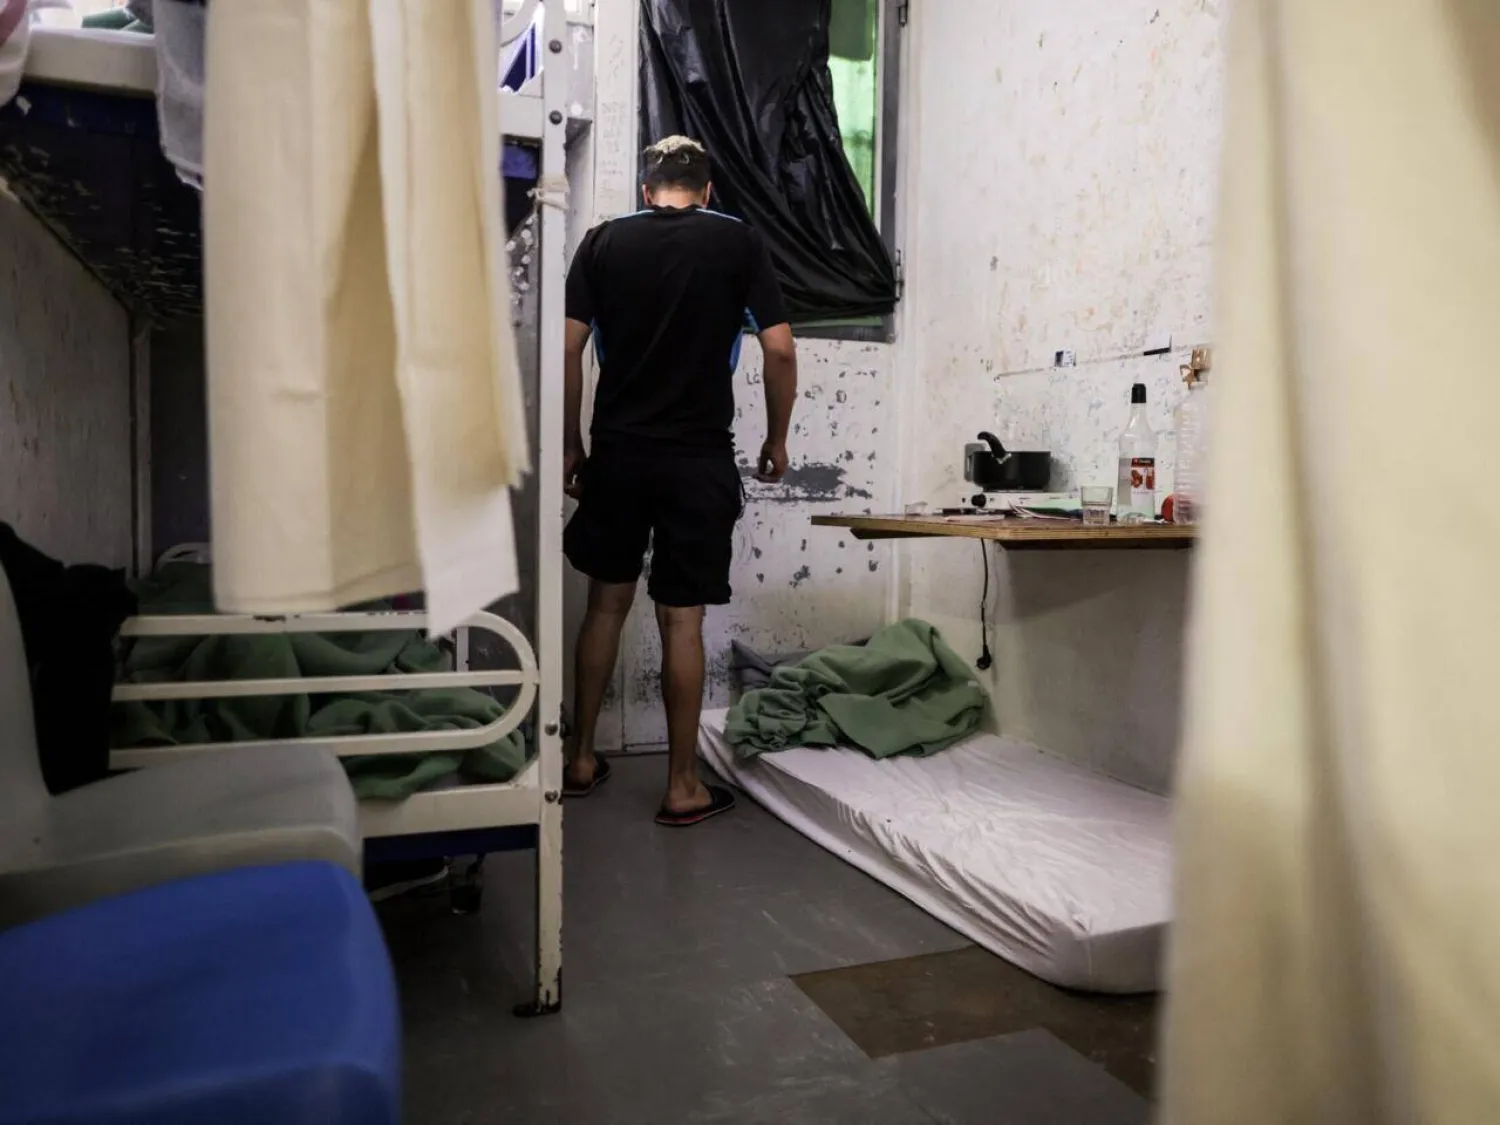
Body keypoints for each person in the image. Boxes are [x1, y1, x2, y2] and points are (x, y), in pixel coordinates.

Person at [560, 136, 798, 826]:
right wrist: (776, 437)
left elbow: (569, 346)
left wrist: (572, 441)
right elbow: (779, 347)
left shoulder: (602, 242)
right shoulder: (739, 243)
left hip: (619, 453)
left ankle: (579, 757)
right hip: (698, 457)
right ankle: (682, 784)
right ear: (708, 190)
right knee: (681, 617)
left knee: (605, 603)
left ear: (646, 190)